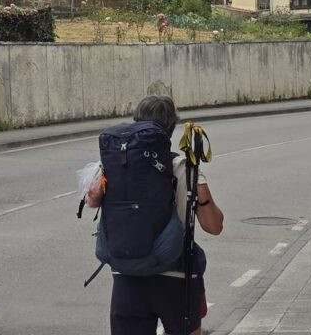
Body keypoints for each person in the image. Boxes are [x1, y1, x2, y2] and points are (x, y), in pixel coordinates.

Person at [86, 95, 224, 335]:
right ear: (171, 128)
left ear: (137, 121)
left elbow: (91, 200)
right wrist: (197, 181)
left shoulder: (116, 164)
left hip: (126, 277)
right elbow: (214, 226)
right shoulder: (183, 168)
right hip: (176, 277)